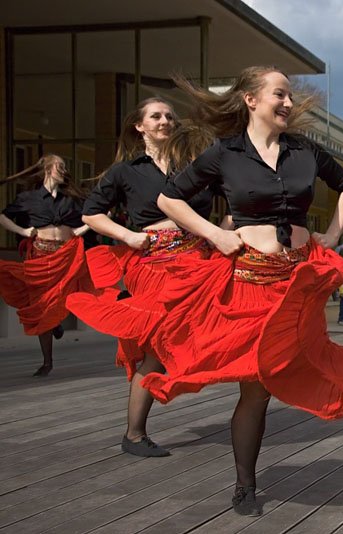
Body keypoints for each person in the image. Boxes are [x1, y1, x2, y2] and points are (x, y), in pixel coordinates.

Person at [153, 66, 343, 516]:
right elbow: (170, 199)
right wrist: (216, 235)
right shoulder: (224, 152)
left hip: (297, 281)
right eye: (279, 95)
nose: (287, 103)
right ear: (250, 99)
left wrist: (334, 233)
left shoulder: (305, 150)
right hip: (251, 281)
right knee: (257, 388)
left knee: (296, 369)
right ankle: (245, 484)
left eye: (289, 96)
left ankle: (250, 475)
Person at [66, 99, 220, 458]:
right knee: (157, 347)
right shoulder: (126, 171)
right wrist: (128, 236)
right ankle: (134, 435)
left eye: (169, 115)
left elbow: (224, 208)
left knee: (208, 334)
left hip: (197, 262)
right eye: (156, 116)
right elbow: (91, 215)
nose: (165, 120)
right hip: (154, 263)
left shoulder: (193, 168)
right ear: (140, 125)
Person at [0, 155, 94, 376]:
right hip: (40, 257)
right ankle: (47, 362)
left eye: (64, 166)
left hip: (65, 255)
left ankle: (55, 321)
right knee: (42, 307)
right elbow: (3, 217)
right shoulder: (28, 198)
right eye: (59, 166)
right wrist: (23, 231)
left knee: (67, 296)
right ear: (48, 170)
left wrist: (80, 231)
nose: (63, 170)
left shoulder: (71, 198)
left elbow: (97, 215)